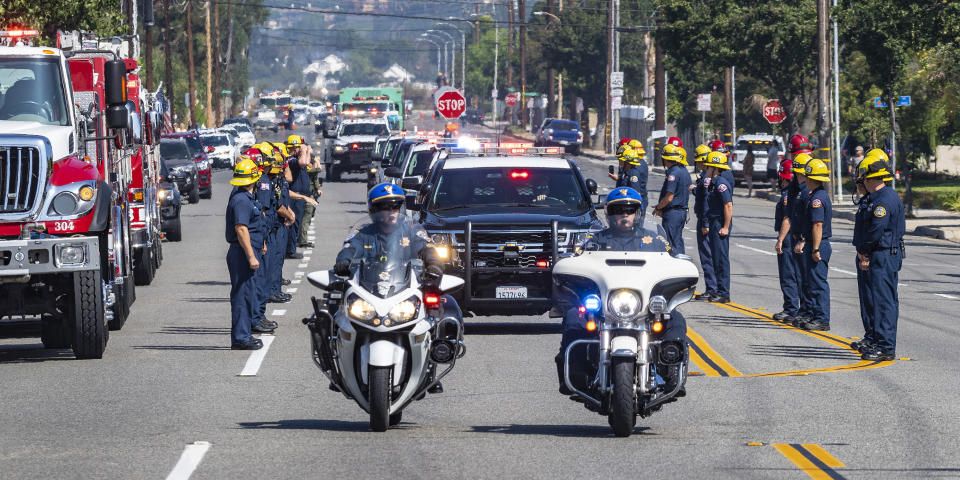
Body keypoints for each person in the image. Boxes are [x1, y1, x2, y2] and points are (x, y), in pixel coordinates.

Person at [553, 186, 686, 395]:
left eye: (630, 210)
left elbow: (674, 262)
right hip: (605, 306)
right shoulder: (595, 241)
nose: (624, 215)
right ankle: (575, 373)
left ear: (638, 214)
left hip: (643, 306)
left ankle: (671, 372)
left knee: (675, 319)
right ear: (609, 215)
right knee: (573, 317)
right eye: (618, 211)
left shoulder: (656, 241)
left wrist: (681, 267)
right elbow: (575, 261)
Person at [334, 183, 462, 392]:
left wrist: (435, 264)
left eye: (395, 207)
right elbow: (349, 248)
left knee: (437, 309)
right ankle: (337, 367)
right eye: (385, 207)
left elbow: (428, 249)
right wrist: (343, 261)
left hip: (405, 286)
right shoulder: (364, 232)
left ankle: (431, 367)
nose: (391, 212)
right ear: (374, 211)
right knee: (335, 311)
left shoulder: (412, 230)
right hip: (370, 287)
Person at [853, 156, 904, 361]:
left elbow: (876, 231)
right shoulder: (876, 198)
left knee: (884, 302)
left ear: (869, 178)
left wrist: (864, 251)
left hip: (882, 254)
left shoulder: (883, 200)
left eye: (863, 177)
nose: (861, 181)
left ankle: (885, 347)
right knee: (875, 300)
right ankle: (876, 339)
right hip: (878, 253)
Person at [226, 158, 266, 350]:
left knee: (248, 294)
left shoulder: (246, 197)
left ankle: (244, 334)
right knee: (242, 296)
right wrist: (251, 255)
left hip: (248, 250)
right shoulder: (241, 200)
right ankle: (241, 338)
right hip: (242, 253)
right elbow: (241, 229)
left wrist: (260, 244)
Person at [795, 158, 833, 331]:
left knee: (818, 283)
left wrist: (815, 248)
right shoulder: (816, 195)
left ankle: (822, 318)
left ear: (812, 178)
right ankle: (815, 314)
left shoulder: (817, 199)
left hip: (818, 244)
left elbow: (817, 225)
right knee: (812, 282)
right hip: (813, 243)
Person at [279, 137, 318, 259]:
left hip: (299, 196)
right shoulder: (291, 159)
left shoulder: (296, 159)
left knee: (297, 223)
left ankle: (291, 247)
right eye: (298, 147)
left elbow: (307, 163)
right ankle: (290, 250)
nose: (300, 149)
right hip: (294, 196)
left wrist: (306, 151)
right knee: (293, 222)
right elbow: (303, 162)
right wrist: (305, 150)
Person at [702, 152, 733, 303]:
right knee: (716, 257)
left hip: (720, 223)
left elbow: (728, 205)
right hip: (715, 222)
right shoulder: (714, 183)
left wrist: (726, 227)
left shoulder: (720, 184)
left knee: (721, 259)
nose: (705, 168)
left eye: (708, 166)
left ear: (714, 168)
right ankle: (719, 290)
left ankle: (724, 292)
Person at [772, 159, 800, 321]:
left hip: (788, 238)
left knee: (788, 274)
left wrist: (780, 239)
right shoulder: (795, 192)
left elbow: (786, 219)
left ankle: (791, 309)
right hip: (794, 236)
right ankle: (794, 308)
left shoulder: (788, 195)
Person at [653, 144, 691, 254]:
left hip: (673, 213)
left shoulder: (673, 173)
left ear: (665, 159)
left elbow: (669, 198)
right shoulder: (684, 171)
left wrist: (658, 207)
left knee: (670, 245)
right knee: (677, 241)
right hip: (680, 212)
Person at [692, 144, 717, 300]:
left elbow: (707, 201)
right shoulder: (705, 175)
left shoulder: (707, 178)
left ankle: (712, 288)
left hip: (705, 218)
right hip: (703, 217)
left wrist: (705, 223)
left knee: (707, 255)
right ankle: (713, 287)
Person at [613, 143, 649, 223]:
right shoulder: (625, 172)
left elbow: (636, 194)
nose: (619, 161)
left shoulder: (633, 174)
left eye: (620, 159)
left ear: (626, 161)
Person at [298, 148, 323, 249]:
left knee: (308, 216)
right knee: (306, 218)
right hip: (306, 195)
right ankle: (302, 240)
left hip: (310, 194)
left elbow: (315, 177)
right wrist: (318, 162)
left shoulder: (308, 168)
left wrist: (318, 189)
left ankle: (301, 239)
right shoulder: (305, 167)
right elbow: (317, 170)